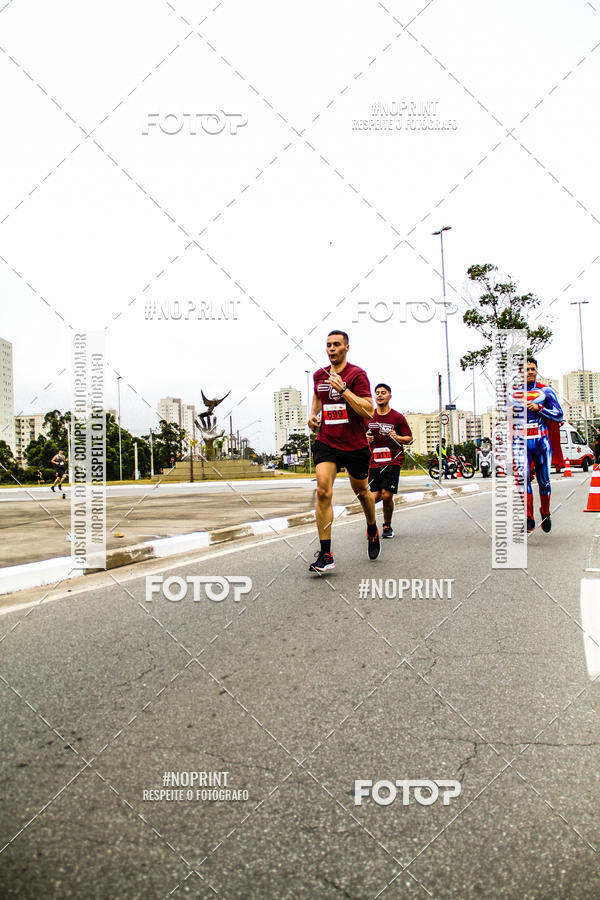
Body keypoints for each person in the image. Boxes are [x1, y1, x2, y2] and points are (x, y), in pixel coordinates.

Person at [308, 330, 380, 573]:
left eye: (336, 344)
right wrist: (312, 416)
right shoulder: (319, 375)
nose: (331, 348)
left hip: (355, 444)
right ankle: (326, 554)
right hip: (327, 441)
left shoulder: (357, 375)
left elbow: (368, 410)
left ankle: (372, 526)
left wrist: (343, 390)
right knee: (322, 490)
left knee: (362, 492)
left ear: (346, 347)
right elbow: (318, 399)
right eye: (328, 344)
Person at [521, 357, 564, 534]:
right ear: (520, 373)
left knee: (544, 481)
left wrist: (540, 409)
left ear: (537, 370)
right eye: (527, 369)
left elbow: (559, 415)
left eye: (533, 369)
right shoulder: (514, 394)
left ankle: (545, 513)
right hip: (522, 443)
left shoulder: (546, 391)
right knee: (523, 479)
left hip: (542, 442)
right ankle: (528, 517)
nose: (530, 372)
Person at [367, 383, 413, 538]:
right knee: (374, 497)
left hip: (392, 460)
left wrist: (397, 437)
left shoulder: (397, 417)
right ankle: (371, 526)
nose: (380, 395)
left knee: (386, 495)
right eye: (377, 393)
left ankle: (387, 525)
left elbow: (409, 438)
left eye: (383, 392)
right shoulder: (368, 416)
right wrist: (365, 438)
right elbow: (358, 436)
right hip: (374, 461)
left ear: (389, 396)